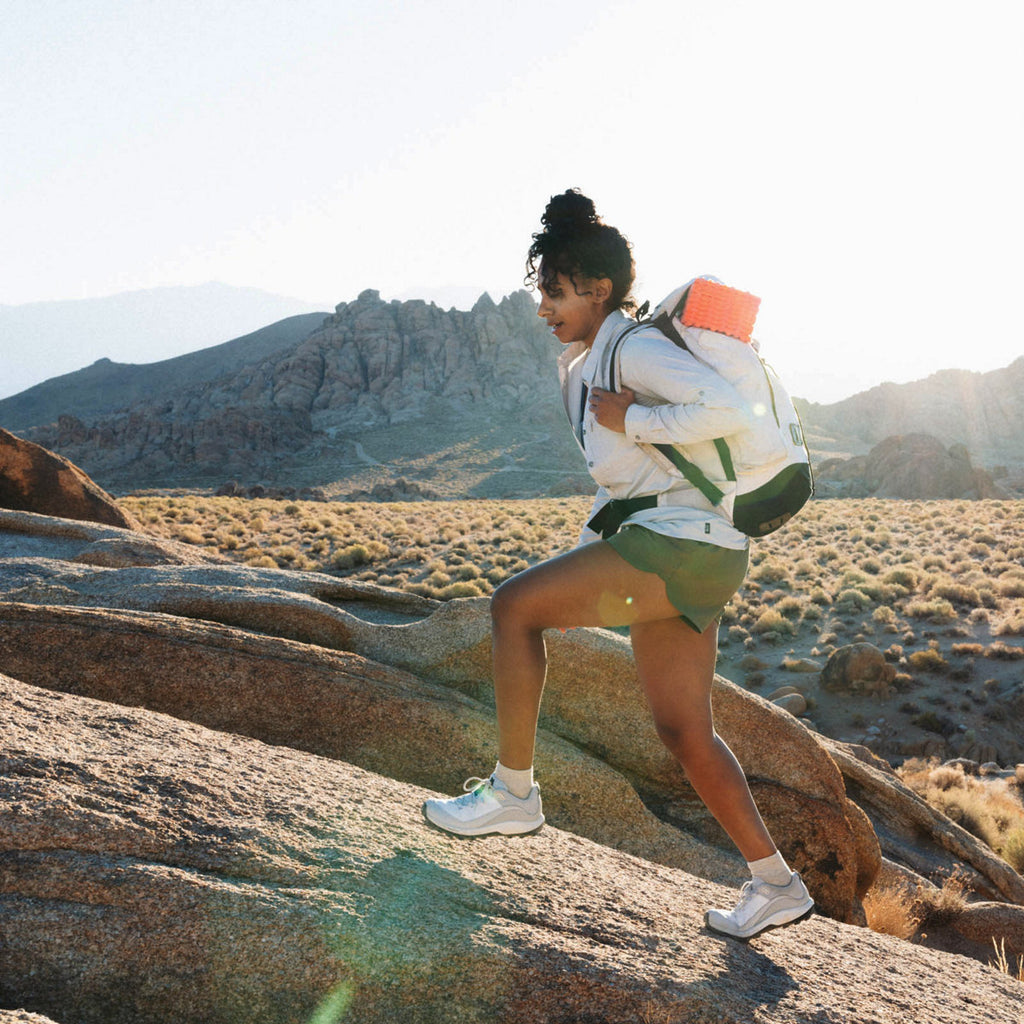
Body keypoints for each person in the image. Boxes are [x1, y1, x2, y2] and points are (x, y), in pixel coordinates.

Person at [423, 188, 814, 940]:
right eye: (542, 290)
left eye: (556, 291)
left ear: (598, 288)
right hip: (692, 552)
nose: (543, 307)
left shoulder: (631, 348)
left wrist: (633, 416)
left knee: (512, 608)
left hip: (682, 545)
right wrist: (580, 568)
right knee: (683, 730)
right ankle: (776, 884)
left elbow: (727, 410)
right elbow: (624, 490)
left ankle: (513, 794)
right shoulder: (586, 362)